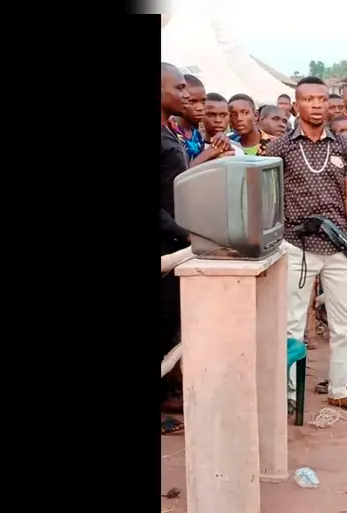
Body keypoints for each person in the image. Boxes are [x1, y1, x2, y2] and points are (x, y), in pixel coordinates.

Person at [266, 77, 347, 414]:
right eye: (308, 99)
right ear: (296, 105)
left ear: (332, 106)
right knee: (292, 324)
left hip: (338, 246)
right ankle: (288, 394)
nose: (316, 105)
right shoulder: (280, 147)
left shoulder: (344, 145)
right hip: (296, 244)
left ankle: (339, 390)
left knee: (343, 324)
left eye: (321, 100)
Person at [159, 63, 191, 435]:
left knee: (167, 325)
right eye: (178, 87)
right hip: (165, 242)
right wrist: (185, 233)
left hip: (172, 240)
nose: (184, 94)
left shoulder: (170, 132)